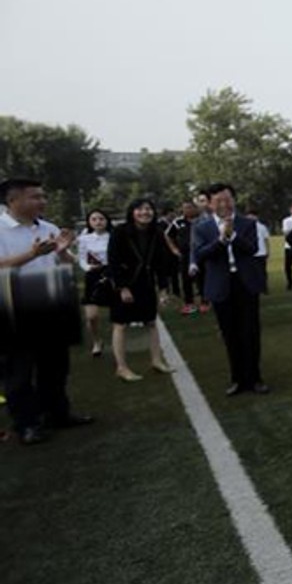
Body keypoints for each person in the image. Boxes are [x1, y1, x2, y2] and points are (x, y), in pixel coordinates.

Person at [0, 178, 91, 445]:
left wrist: (62, 252)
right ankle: (27, 423)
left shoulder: (48, 227)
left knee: (55, 364)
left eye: (43, 196)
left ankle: (58, 413)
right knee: (19, 370)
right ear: (12, 200)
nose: (42, 201)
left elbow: (65, 263)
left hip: (50, 299)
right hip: (12, 304)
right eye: (34, 197)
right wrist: (31, 254)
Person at [194, 184, 268, 395]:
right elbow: (200, 254)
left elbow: (252, 248)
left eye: (228, 199)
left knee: (251, 332)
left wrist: (233, 236)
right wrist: (221, 239)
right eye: (218, 201)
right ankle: (237, 379)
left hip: (245, 283)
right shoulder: (202, 227)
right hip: (221, 285)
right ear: (209, 203)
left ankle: (255, 378)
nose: (224, 204)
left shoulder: (247, 223)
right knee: (230, 334)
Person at [106, 198, 175, 382]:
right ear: (132, 212)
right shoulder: (120, 232)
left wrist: (163, 289)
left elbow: (161, 263)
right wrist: (122, 287)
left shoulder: (157, 232)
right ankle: (121, 367)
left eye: (149, 209)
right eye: (140, 209)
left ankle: (156, 360)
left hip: (146, 283)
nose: (145, 212)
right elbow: (112, 261)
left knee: (151, 322)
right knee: (121, 325)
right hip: (125, 283)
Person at [74, 209, 114, 357]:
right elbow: (82, 258)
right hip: (92, 276)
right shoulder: (85, 239)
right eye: (94, 219)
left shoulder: (113, 237)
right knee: (91, 316)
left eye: (101, 218)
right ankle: (97, 341)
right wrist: (88, 268)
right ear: (89, 222)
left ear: (107, 220)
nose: (98, 222)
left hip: (111, 275)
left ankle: (117, 341)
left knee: (117, 313)